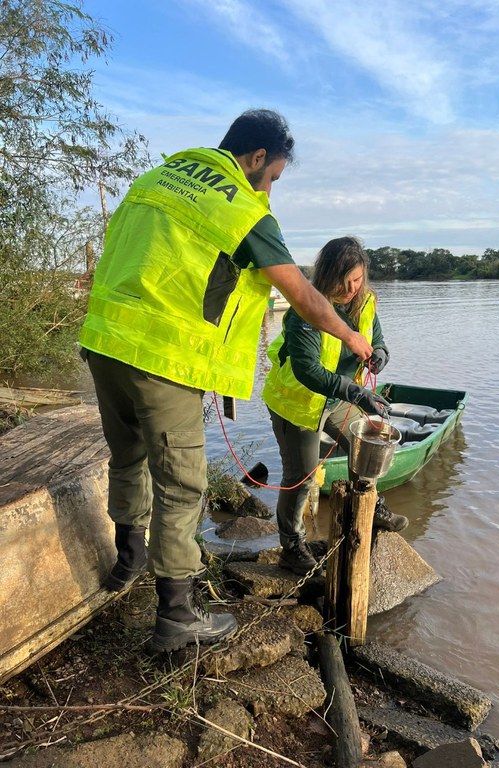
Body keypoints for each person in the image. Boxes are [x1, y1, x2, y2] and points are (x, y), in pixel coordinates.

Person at [79, 109, 374, 654]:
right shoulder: (238, 205)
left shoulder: (157, 179)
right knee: (183, 485)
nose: (271, 191)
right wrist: (355, 340)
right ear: (257, 159)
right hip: (160, 359)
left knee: (127, 459)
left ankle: (128, 561)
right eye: (275, 179)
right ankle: (176, 617)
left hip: (103, 343)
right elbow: (304, 297)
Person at [262, 236, 409, 575]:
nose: (351, 289)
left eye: (357, 280)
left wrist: (380, 357)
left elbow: (379, 341)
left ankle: (372, 509)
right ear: (327, 276)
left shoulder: (365, 300)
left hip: (338, 398)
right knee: (301, 476)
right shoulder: (305, 311)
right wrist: (358, 394)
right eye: (343, 282)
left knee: (368, 446)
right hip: (297, 402)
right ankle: (292, 545)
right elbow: (308, 371)